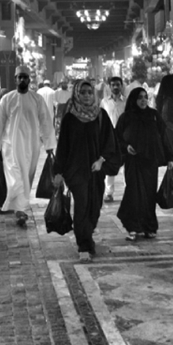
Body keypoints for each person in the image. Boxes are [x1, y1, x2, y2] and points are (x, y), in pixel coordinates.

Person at [53, 80, 120, 261]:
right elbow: (63, 147)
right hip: (75, 171)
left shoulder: (101, 115)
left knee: (94, 206)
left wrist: (101, 160)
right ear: (76, 94)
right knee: (82, 206)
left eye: (90, 92)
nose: (87, 95)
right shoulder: (70, 118)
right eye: (82, 92)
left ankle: (87, 237)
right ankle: (83, 244)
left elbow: (110, 141)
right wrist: (58, 171)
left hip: (95, 170)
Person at [0, 66, 57, 226]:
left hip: (31, 146)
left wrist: (49, 144)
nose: (22, 80)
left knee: (26, 178)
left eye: (25, 77)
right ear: (15, 79)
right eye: (19, 77)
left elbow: (46, 122)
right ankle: (20, 211)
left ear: (29, 80)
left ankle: (21, 208)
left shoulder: (37, 99)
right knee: (15, 177)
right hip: (10, 146)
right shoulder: (7, 99)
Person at [116, 88, 173, 240]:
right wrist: (126, 147)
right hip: (133, 162)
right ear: (134, 100)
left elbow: (163, 137)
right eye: (140, 98)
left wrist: (169, 157)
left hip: (150, 162)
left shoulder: (154, 115)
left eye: (145, 97)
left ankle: (149, 226)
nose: (143, 100)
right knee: (133, 193)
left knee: (149, 195)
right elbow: (117, 138)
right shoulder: (126, 117)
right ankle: (133, 227)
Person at [100, 76, 126, 202]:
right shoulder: (104, 102)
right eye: (113, 85)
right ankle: (109, 193)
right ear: (109, 87)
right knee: (110, 164)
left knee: (127, 164)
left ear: (121, 86)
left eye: (118, 84)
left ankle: (129, 191)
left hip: (124, 137)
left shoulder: (126, 102)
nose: (116, 87)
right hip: (109, 137)